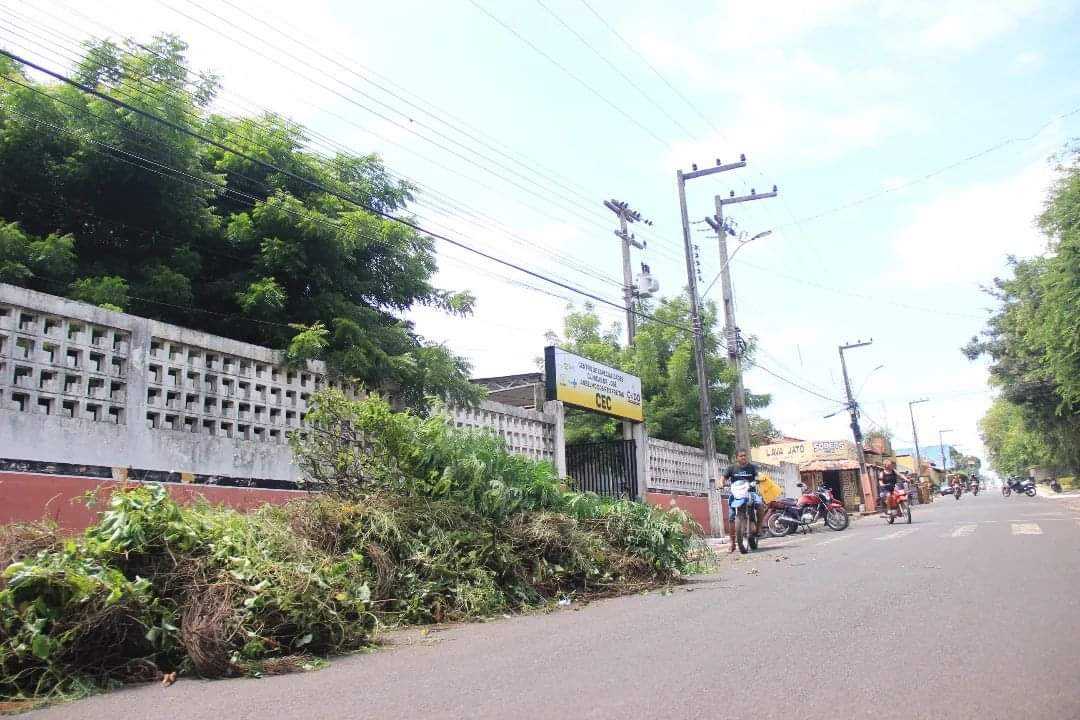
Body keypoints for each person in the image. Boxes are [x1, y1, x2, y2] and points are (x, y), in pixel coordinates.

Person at [723, 449, 763, 552]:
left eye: (745, 455)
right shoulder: (731, 468)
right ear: (737, 457)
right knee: (731, 517)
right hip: (736, 494)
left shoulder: (753, 467)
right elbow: (723, 478)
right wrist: (721, 484)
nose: (743, 457)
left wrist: (759, 478)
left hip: (750, 492)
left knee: (760, 505)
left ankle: (759, 528)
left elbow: (758, 475)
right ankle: (732, 543)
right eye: (741, 456)